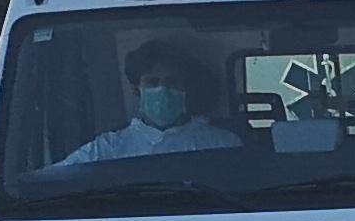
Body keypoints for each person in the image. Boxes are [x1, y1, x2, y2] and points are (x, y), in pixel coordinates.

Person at [57, 42, 238, 163]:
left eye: (171, 81)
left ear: (185, 86)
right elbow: (52, 181)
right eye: (152, 82)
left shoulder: (223, 143)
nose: (163, 89)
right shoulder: (107, 149)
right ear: (136, 88)